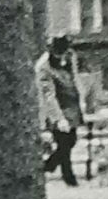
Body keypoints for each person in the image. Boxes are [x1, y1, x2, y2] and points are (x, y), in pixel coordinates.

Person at [37, 33, 86, 187]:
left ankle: (51, 165)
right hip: (61, 109)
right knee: (65, 142)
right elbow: (49, 95)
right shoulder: (46, 68)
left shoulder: (70, 58)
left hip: (72, 107)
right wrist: (58, 118)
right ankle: (67, 176)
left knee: (69, 142)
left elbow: (75, 77)